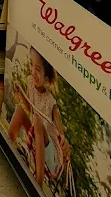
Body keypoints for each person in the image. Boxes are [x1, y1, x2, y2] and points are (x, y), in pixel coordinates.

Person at [7, 46, 71, 187]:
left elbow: (60, 132)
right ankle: (8, 144)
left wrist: (65, 144)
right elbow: (30, 109)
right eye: (31, 64)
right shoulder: (30, 82)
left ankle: (39, 181)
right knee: (20, 110)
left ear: (46, 79)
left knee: (37, 120)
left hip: (51, 156)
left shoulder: (51, 102)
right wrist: (21, 94)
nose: (33, 72)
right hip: (37, 137)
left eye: (38, 69)